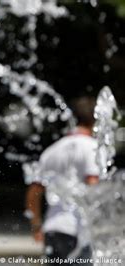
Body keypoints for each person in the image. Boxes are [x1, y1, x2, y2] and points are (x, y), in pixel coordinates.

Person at [26, 96, 99, 265]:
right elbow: (93, 185)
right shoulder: (91, 147)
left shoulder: (52, 150)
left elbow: (33, 193)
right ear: (94, 120)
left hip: (52, 229)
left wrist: (36, 226)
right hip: (77, 230)